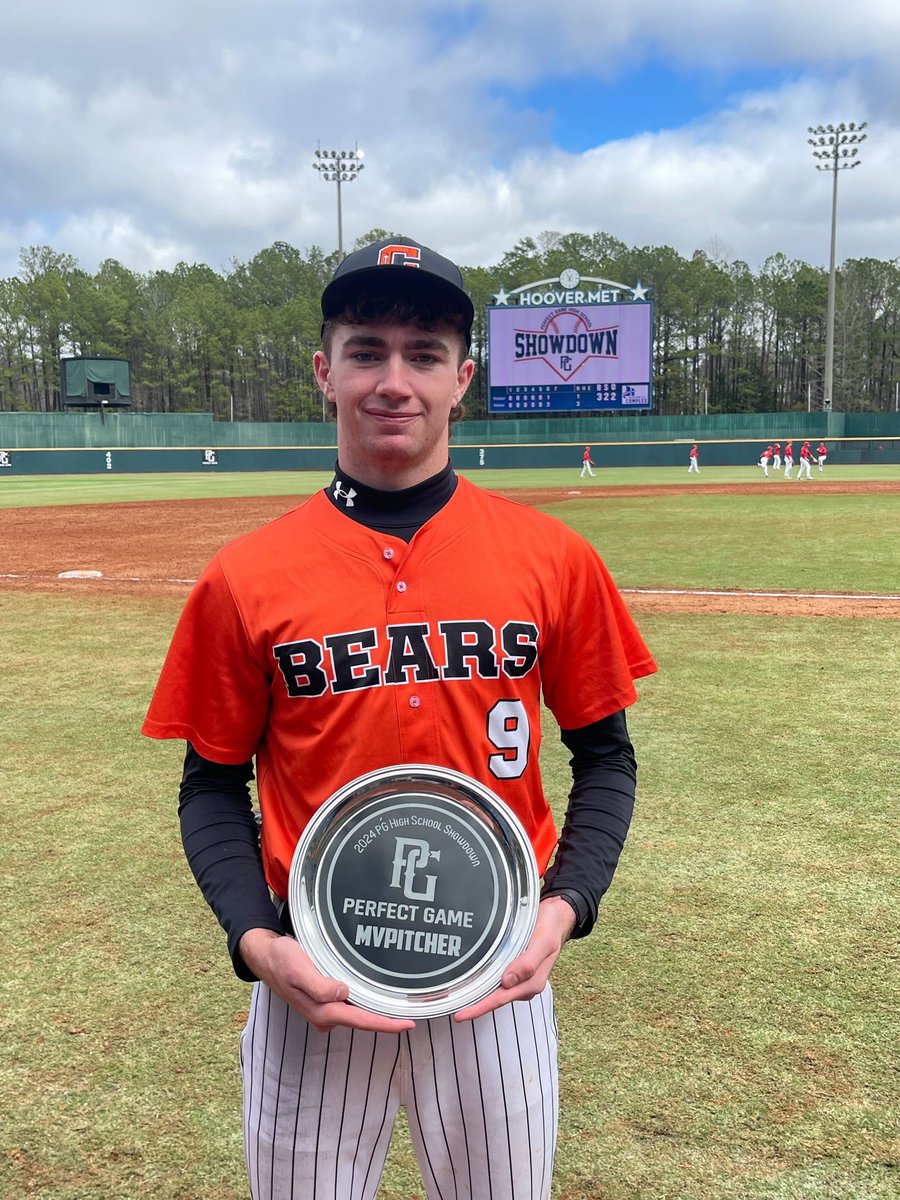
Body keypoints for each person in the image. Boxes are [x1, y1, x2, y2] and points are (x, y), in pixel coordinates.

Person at [142, 236, 657, 1200]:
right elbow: (210, 783)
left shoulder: (553, 557)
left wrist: (566, 904)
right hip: (313, 976)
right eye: (366, 349)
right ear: (323, 373)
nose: (394, 380)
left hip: (498, 977)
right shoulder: (244, 576)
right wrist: (257, 941)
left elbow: (608, 759)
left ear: (463, 378)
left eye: (423, 354)